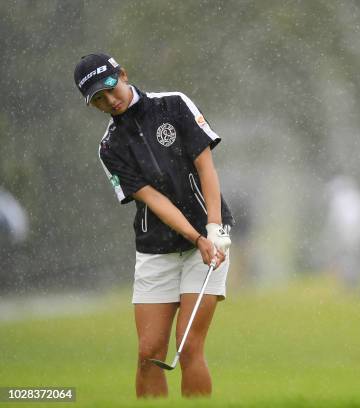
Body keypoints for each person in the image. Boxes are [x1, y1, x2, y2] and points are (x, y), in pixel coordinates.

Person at [73, 53, 235, 398]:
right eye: (98, 100)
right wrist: (193, 235)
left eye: (110, 89)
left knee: (189, 347)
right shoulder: (109, 147)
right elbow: (155, 200)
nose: (110, 101)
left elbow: (206, 167)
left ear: (123, 74)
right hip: (155, 249)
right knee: (148, 355)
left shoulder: (173, 105)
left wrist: (213, 229)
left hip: (209, 240)